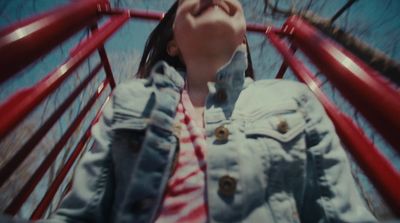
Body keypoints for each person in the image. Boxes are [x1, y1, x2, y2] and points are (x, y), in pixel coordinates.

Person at [42, 0, 377, 222]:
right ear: (172, 42)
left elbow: (340, 211)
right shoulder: (128, 99)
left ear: (243, 38)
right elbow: (82, 211)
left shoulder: (292, 97)